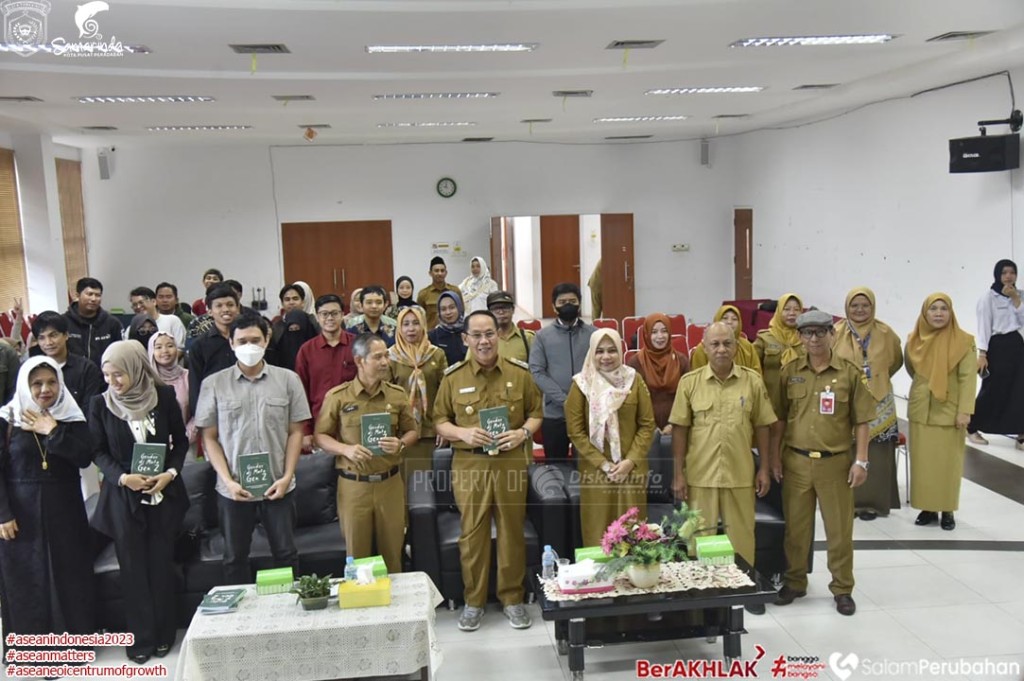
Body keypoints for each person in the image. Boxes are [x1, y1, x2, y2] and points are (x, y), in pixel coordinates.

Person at [434, 310, 543, 632]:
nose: (484, 341)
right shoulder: (453, 378)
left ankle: (512, 599)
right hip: (470, 464)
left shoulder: (519, 373)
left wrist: (522, 433)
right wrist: (462, 433)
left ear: (498, 335)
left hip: (510, 462)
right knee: (473, 534)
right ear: (465, 339)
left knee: (512, 531)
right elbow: (438, 419)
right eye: (477, 335)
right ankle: (474, 601)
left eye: (489, 334)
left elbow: (536, 413)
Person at [90, 341, 189, 663]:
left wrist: (171, 473)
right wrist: (123, 478)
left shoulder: (163, 397)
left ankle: (164, 634)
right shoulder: (100, 404)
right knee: (132, 570)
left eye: (119, 374)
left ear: (135, 368)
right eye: (107, 375)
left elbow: (181, 441)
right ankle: (141, 640)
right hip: (123, 497)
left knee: (161, 566)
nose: (113, 382)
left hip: (161, 494)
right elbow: (97, 451)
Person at [195, 313, 311, 584]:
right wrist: (228, 481)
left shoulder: (288, 380)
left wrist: (286, 476)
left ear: (267, 339)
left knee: (286, 553)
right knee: (234, 557)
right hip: (233, 490)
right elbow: (209, 438)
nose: (249, 346)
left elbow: (296, 432)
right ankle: (241, 622)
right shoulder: (214, 384)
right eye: (242, 340)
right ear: (231, 343)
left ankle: (288, 614)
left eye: (255, 340)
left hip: (278, 485)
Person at [772, 310, 874, 617]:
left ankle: (842, 588)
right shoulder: (790, 371)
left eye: (820, 332)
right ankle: (795, 582)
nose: (813, 339)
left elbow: (863, 421)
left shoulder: (848, 373)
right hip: (796, 461)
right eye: (807, 333)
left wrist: (862, 461)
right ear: (800, 337)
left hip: (836, 464)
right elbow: (778, 419)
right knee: (796, 529)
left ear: (832, 334)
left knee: (839, 530)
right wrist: (774, 457)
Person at [670, 322, 775, 613]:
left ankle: (744, 589)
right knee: (696, 537)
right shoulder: (689, 383)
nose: (721, 349)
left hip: (740, 472)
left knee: (742, 535)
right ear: (703, 347)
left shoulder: (752, 381)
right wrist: (678, 473)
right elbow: (679, 430)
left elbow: (763, 426)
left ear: (736, 346)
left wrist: (764, 467)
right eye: (714, 344)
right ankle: (698, 592)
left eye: (727, 343)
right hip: (699, 475)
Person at [0, 357, 95, 662]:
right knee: (27, 581)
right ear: (25, 385)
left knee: (69, 577)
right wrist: (2, 514)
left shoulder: (70, 415)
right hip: (19, 512)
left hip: (64, 511)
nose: (45, 390)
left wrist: (53, 429)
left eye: (51, 382)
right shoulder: (7, 418)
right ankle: (35, 653)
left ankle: (73, 648)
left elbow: (83, 457)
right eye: (36, 383)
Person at [315, 334, 418, 574]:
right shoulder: (339, 397)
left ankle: (396, 610)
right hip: (354, 486)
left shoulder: (396, 394)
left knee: (393, 555)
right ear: (360, 360)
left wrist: (400, 443)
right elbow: (321, 436)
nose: (385, 362)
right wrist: (345, 449)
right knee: (357, 557)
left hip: (390, 483)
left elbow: (413, 431)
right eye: (378, 357)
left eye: (387, 356)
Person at [565, 328, 656, 546]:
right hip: (596, 472)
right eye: (600, 351)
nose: (606, 357)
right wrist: (603, 465)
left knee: (633, 532)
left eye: (612, 350)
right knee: (598, 532)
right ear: (592, 353)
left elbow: (647, 425)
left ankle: (635, 579)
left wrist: (629, 461)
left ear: (621, 351)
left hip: (630, 470)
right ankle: (603, 580)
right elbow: (575, 432)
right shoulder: (581, 385)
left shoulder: (634, 380)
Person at [905, 293, 977, 531]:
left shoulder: (965, 342)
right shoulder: (914, 341)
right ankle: (927, 508)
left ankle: (947, 510)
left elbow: (968, 379)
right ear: (924, 313)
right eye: (933, 309)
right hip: (921, 410)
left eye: (943, 308)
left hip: (949, 411)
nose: (938, 313)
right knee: (923, 464)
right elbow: (911, 370)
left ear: (951, 312)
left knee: (948, 464)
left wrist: (965, 411)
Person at [833, 288, 904, 520]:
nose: (860, 310)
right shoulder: (836, 332)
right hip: (846, 398)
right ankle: (848, 502)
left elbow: (895, 361)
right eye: (855, 305)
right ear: (846, 307)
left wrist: (877, 380)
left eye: (865, 305)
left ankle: (874, 503)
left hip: (879, 399)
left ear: (873, 307)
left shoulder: (885, 332)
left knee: (878, 452)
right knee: (848, 449)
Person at [529, 283, 595, 462]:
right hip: (555, 414)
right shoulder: (542, 336)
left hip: (587, 412)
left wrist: (582, 400)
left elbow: (600, 368)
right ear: (554, 306)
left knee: (586, 464)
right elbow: (537, 371)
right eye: (562, 301)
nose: (568, 305)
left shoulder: (593, 334)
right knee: (556, 466)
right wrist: (564, 400)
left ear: (580, 304)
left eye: (572, 301)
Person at [388, 306, 449, 485]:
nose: (411, 328)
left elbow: (445, 393)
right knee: (406, 486)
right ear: (399, 328)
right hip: (402, 434)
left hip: (432, 432)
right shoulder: (390, 356)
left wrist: (444, 426)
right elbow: (387, 396)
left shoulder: (436, 354)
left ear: (423, 325)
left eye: (415, 323)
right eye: (405, 324)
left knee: (430, 486)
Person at [968, 259, 1024, 448]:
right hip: (997, 347)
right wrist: (982, 354)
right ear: (998, 275)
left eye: (1012, 272)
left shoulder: (1019, 295)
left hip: (1016, 345)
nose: (1008, 276)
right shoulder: (988, 297)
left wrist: (1016, 299)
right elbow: (984, 327)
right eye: (1004, 273)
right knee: (992, 389)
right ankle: (971, 427)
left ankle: (1021, 433)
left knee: (1019, 390)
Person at [295, 294, 358, 452]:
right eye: (324, 314)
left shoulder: (357, 345)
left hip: (353, 423)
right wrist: (306, 430)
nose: (330, 318)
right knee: (323, 475)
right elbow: (300, 392)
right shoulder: (306, 350)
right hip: (320, 424)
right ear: (317, 317)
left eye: (334, 313)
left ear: (343, 315)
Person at [626, 313, 689, 432]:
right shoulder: (635, 363)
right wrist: (651, 427)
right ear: (647, 334)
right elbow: (633, 402)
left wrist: (672, 425)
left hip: (677, 427)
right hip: (644, 429)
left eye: (664, 331)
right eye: (654, 332)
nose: (660, 336)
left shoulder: (681, 361)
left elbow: (687, 398)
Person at [31, 311, 105, 411]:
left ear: (66, 335)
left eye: (53, 335)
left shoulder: (86, 368)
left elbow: (91, 410)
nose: (48, 343)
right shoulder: (32, 369)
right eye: (42, 338)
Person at [188, 283, 241, 415]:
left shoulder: (248, 340)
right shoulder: (199, 345)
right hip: (215, 410)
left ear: (237, 308)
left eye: (230, 304)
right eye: (219, 306)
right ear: (209, 311)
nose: (226, 309)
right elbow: (195, 385)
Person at [148, 331, 195, 447]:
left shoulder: (189, 377)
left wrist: (182, 439)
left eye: (170, 346)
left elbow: (198, 413)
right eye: (158, 347)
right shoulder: (146, 380)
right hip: (152, 447)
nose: (165, 351)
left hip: (185, 443)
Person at [64, 277, 123, 366]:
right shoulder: (64, 322)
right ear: (77, 295)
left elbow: (120, 352)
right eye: (89, 294)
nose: (94, 299)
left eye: (98, 295)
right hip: (73, 375)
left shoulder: (112, 323)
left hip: (104, 375)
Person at [690, 304, 762, 374]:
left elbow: (757, 375)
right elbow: (697, 378)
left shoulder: (747, 346)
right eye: (725, 318)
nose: (729, 322)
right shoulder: (703, 348)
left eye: (734, 319)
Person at [270, 284, 320, 371]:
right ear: (282, 303)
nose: (291, 302)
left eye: (295, 299)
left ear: (303, 302)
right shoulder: (276, 327)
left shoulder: (313, 322)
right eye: (287, 299)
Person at [130, 286, 186, 350]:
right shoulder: (131, 328)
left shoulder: (172, 320)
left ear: (154, 302)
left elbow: (180, 349)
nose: (138, 307)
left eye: (141, 302)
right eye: (134, 305)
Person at [417, 257, 463, 330]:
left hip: (453, 332)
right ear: (430, 273)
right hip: (431, 335)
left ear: (446, 273)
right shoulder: (423, 294)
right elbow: (419, 317)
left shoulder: (455, 291)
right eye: (436, 271)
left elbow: (461, 312)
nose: (440, 273)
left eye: (442, 270)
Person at [488, 291, 535, 363]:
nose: (501, 312)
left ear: (513, 310)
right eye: (496, 308)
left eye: (505, 307)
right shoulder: (482, 341)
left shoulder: (528, 338)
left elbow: (538, 367)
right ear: (489, 312)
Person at [429, 291, 467, 367]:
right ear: (439, 312)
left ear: (459, 308)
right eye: (443, 309)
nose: (448, 312)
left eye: (452, 307)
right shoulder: (432, 336)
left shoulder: (469, 332)